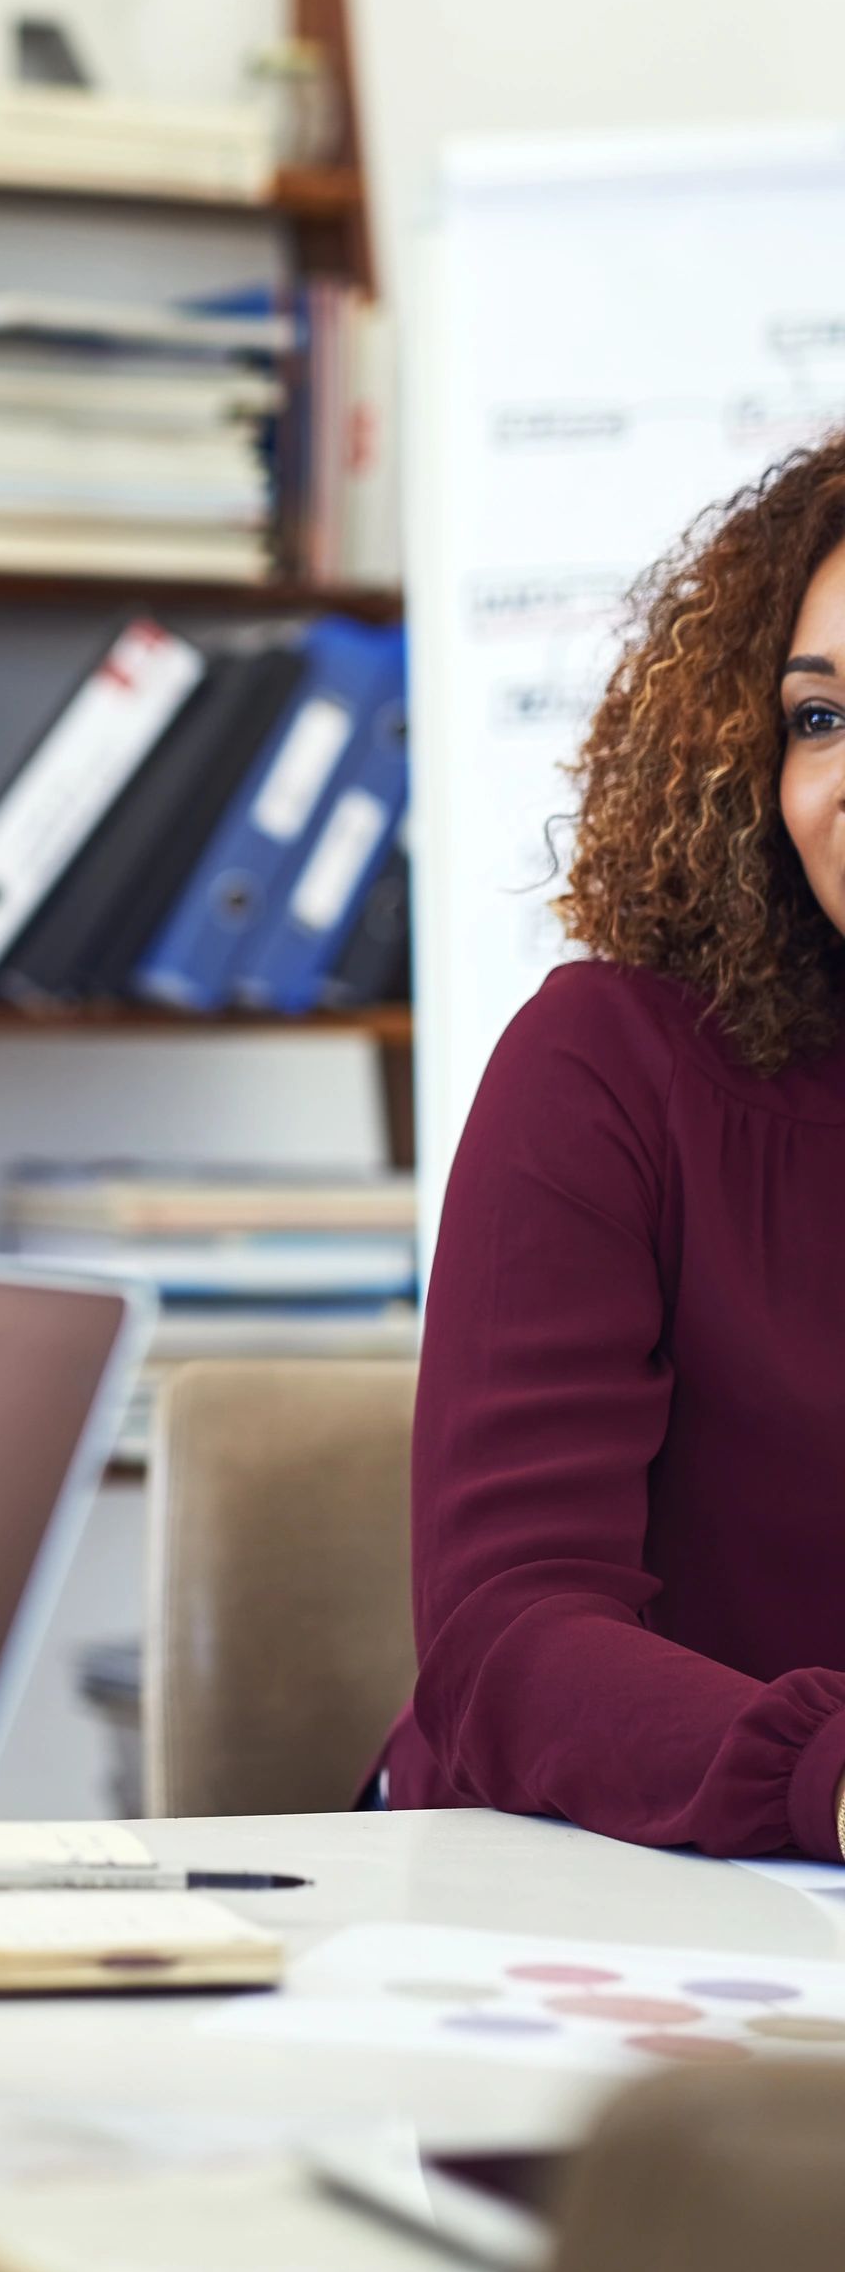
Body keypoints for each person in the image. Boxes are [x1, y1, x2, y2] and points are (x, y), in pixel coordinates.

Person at [383, 429, 845, 1859]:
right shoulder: (608, 1066)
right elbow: (508, 1633)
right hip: (598, 1908)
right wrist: (824, 1778)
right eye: (821, 719)